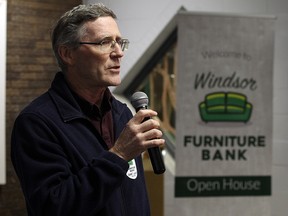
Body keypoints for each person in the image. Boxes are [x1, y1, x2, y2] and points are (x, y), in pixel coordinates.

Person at [11, 3, 165, 216]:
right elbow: (53, 207)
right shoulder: (36, 123)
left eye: (120, 42)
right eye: (105, 43)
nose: (118, 53)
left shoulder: (122, 114)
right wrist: (119, 155)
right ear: (67, 54)